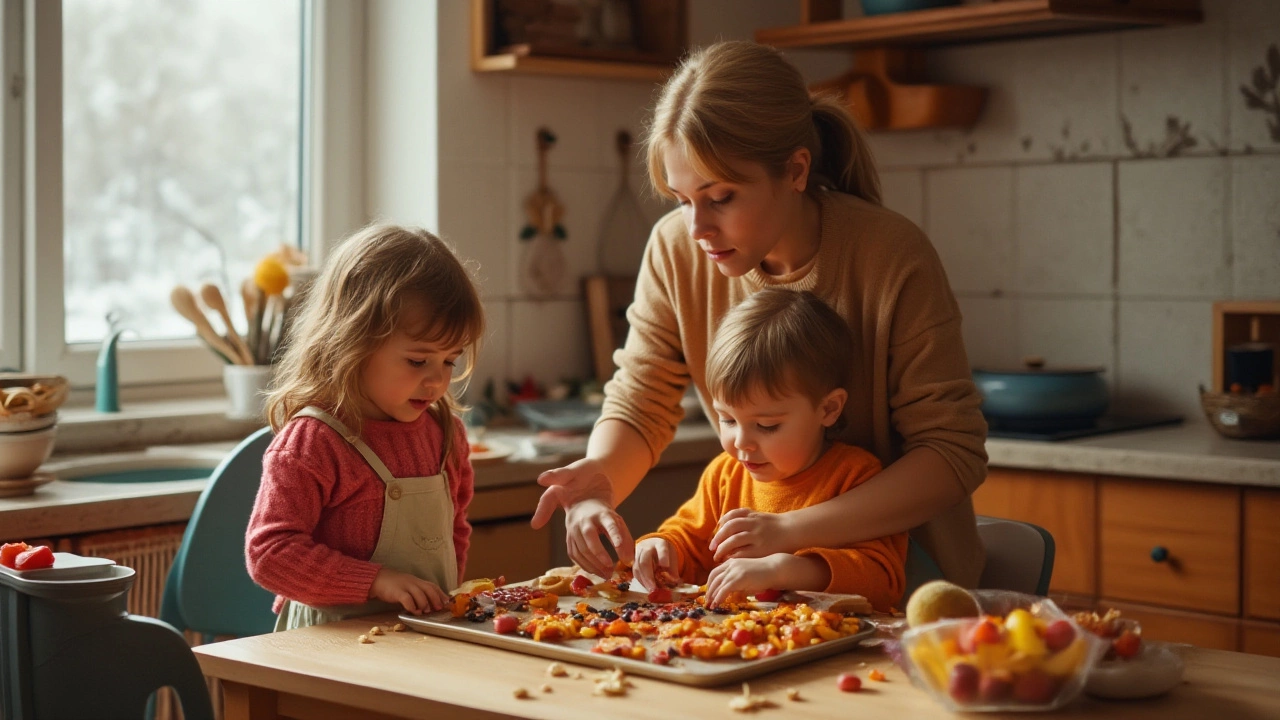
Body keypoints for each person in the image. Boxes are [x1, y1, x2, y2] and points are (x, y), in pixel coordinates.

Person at [532, 40, 988, 589]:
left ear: (795, 170)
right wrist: (599, 480)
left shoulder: (890, 255)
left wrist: (788, 531)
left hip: (906, 588)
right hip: (765, 591)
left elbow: (950, 452)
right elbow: (641, 400)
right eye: (681, 200)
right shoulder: (675, 248)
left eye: (720, 197)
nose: (697, 228)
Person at [246, 224, 485, 631]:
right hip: (325, 642)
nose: (437, 381)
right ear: (352, 342)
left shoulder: (446, 435)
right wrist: (377, 582)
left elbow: (454, 531)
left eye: (450, 361)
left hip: (419, 635)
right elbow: (270, 554)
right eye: (417, 360)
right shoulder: (313, 443)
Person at [633, 289, 906, 611]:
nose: (741, 442)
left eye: (767, 426)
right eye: (728, 419)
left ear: (829, 409)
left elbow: (883, 581)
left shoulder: (855, 476)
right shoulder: (726, 473)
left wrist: (782, 570)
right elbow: (691, 542)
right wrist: (662, 547)